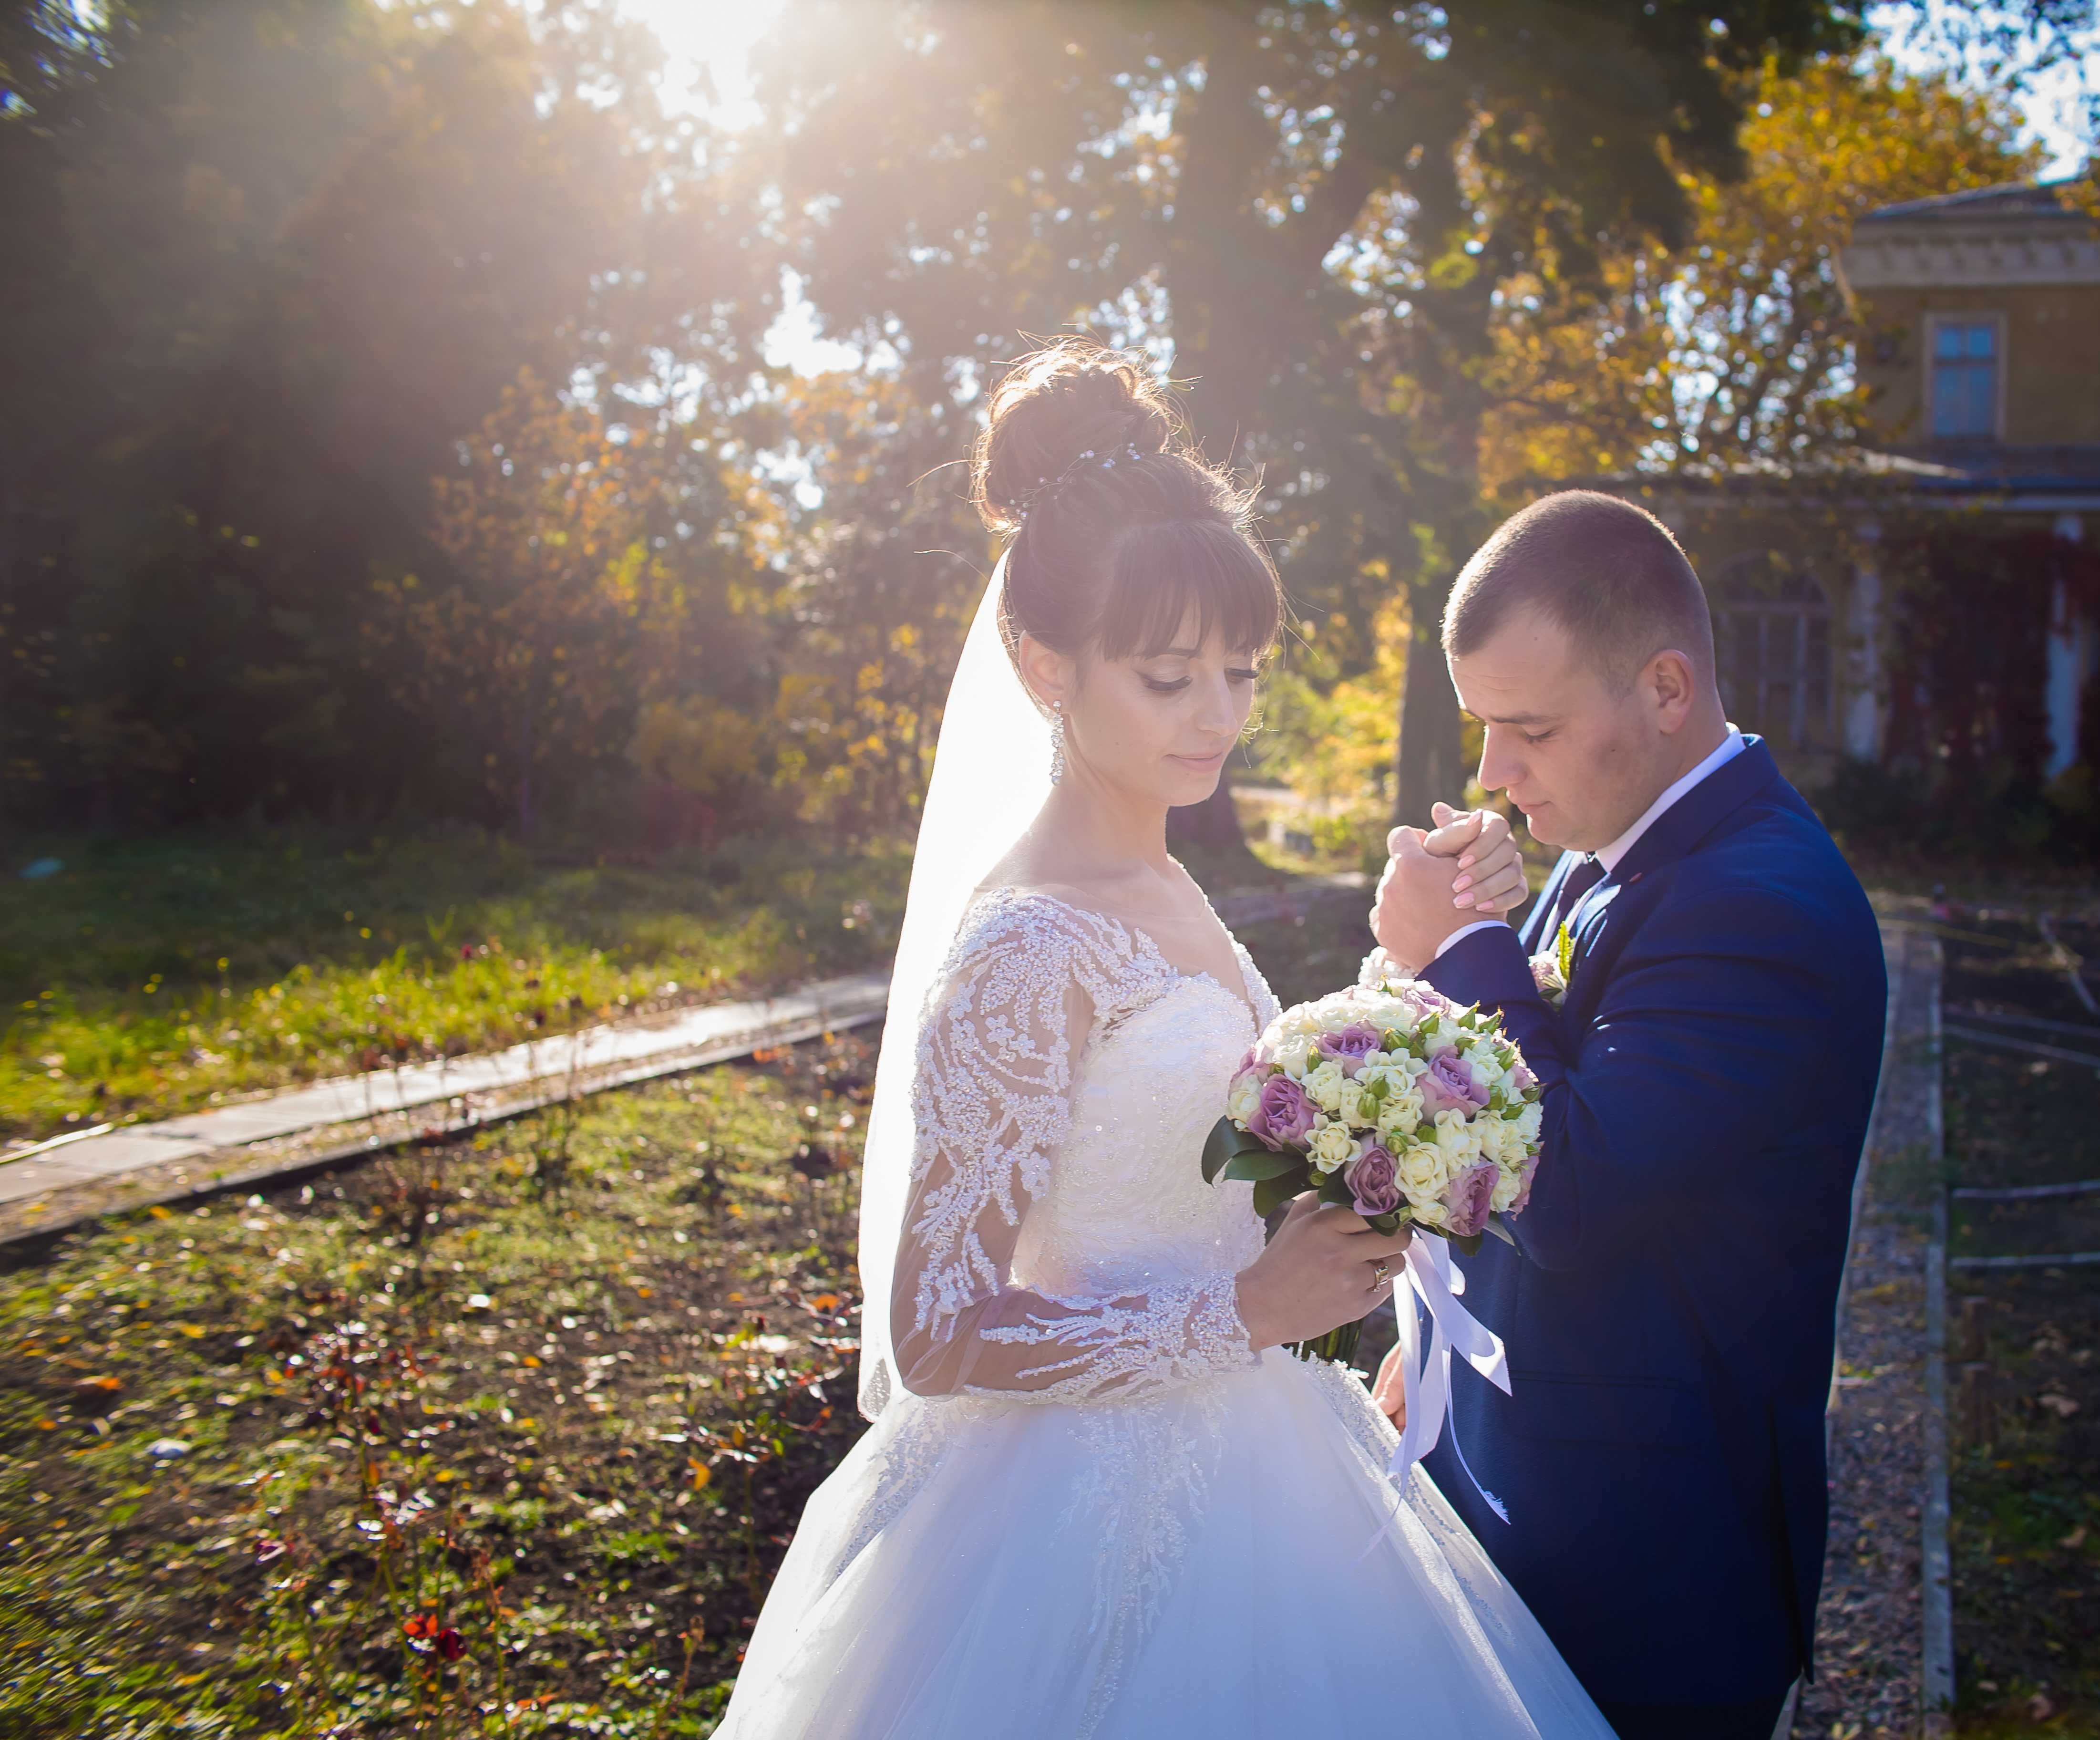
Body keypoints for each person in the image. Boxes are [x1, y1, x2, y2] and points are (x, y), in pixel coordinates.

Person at [710, 341, 1616, 1739]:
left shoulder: (1165, 883)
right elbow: (935, 1331)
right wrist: (1243, 1316)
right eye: (1169, 676)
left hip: (1269, 1456)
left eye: (1241, 675)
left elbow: (1228, 1112)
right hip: (1066, 1527)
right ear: (1043, 661)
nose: (1219, 719)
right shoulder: (1023, 947)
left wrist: (1414, 960)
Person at [1368, 491, 1889, 1740]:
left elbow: (1573, 1188)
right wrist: (1439, 1339)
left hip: (1644, 1579)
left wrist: (1470, 952)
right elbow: (1527, 1102)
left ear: (1665, 690)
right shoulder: (1609, 858)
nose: (1493, 775)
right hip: (1516, 1500)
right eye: (1485, 728)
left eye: (1530, 728)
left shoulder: (1760, 901)